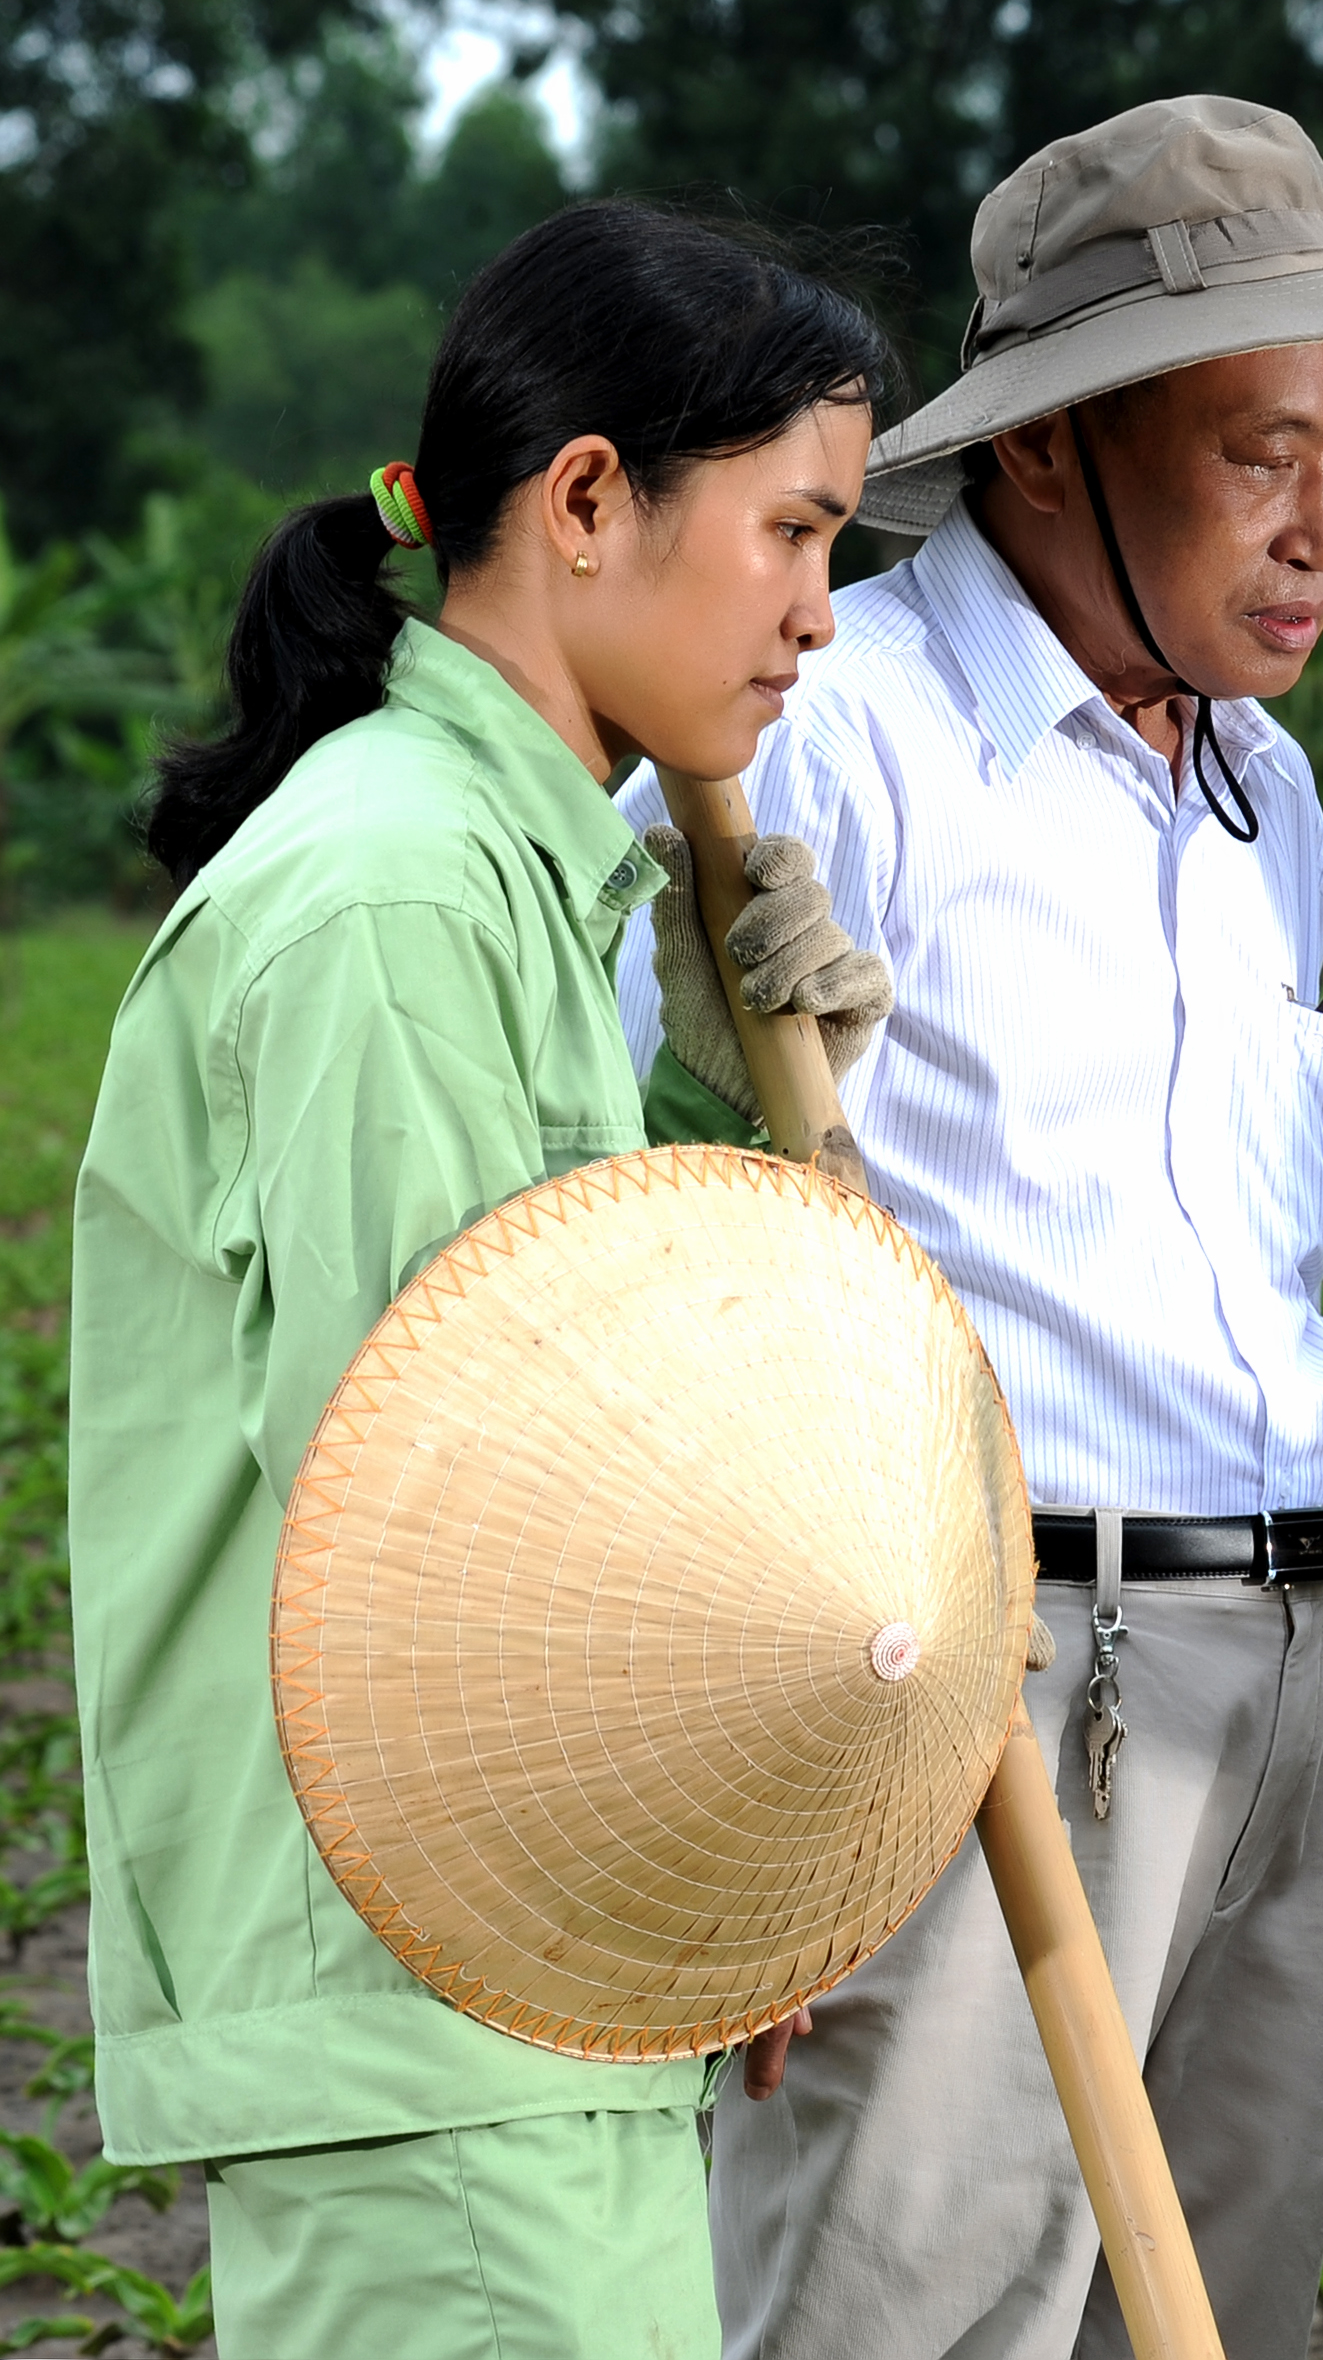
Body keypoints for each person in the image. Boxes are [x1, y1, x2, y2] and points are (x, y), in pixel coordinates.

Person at [609, 94, 1323, 2360]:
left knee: (1202, 2319)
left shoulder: (1270, 794)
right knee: (912, 2319)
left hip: (1289, 1671)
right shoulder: (822, 731)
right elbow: (631, 1200)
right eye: (1263, 454)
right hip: (992, 1691)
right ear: (1047, 451)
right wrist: (767, 1781)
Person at [71, 203, 895, 2357]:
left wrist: (726, 1101)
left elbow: (598, 1372)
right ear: (592, 498)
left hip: (516, 1977)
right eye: (794, 533)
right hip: (430, 1998)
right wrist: (724, 1855)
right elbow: (460, 1509)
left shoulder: (517, 874)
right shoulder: (397, 890)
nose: (817, 619)